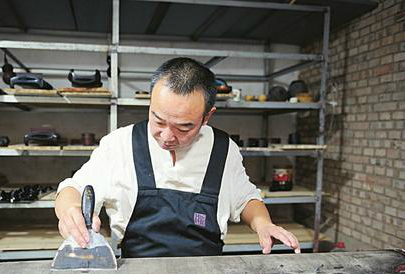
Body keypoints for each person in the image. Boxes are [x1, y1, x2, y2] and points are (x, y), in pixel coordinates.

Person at [55, 57, 301, 257]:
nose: (167, 136)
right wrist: (71, 211)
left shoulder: (223, 149)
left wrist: (263, 224)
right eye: (158, 120)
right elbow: (73, 188)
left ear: (207, 117)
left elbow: (245, 199)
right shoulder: (119, 144)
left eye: (184, 127)